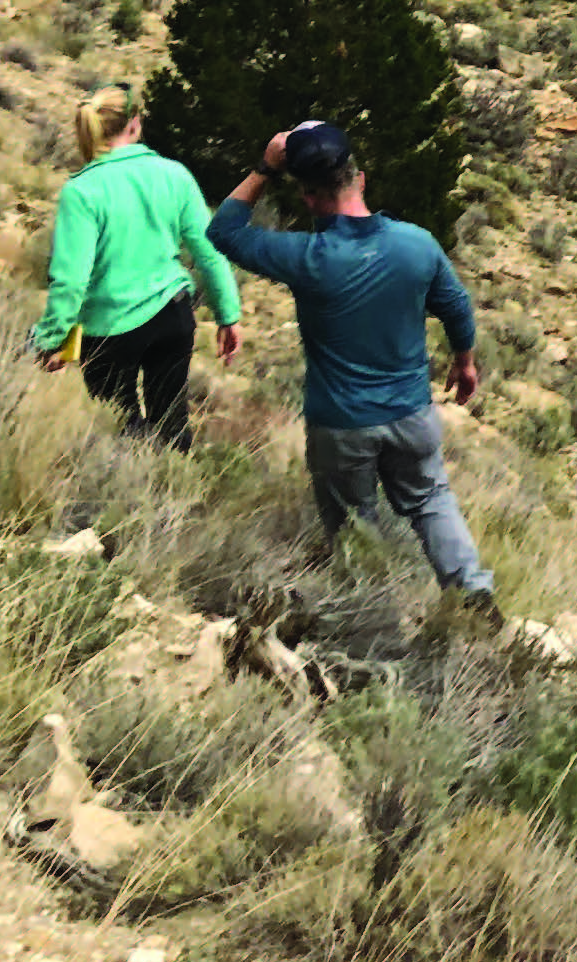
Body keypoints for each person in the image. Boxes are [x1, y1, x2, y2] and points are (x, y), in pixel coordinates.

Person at [207, 118, 495, 610]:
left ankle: (374, 617)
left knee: (356, 525)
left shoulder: (305, 256)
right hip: (411, 415)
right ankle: (472, 594)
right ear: (360, 179)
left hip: (341, 425)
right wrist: (464, 362)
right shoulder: (417, 243)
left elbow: (224, 231)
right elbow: (457, 306)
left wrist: (264, 168)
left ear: (309, 197)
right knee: (431, 501)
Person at [32, 87, 241, 444]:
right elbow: (209, 252)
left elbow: (71, 280)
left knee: (119, 433)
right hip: (172, 315)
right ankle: (177, 489)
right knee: (172, 427)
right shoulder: (174, 174)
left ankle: (132, 493)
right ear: (135, 124)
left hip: (110, 328)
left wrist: (52, 340)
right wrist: (228, 315)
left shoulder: (81, 191)